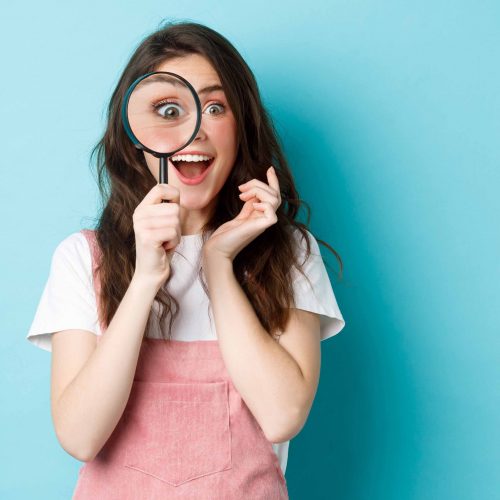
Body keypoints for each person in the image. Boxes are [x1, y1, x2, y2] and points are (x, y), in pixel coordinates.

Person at [26, 20, 346, 499]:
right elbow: (79, 435)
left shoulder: (289, 253)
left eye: (214, 107)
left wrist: (218, 264)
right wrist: (144, 280)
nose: (192, 129)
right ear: (135, 135)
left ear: (242, 128)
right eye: (168, 109)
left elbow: (282, 416)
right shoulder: (83, 258)